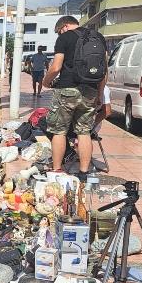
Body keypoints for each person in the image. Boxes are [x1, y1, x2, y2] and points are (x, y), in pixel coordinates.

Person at [43, 16, 107, 181]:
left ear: (64, 26)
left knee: (59, 131)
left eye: (58, 32)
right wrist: (99, 93)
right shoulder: (98, 37)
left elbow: (56, 67)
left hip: (67, 89)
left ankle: (56, 171)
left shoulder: (64, 38)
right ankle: (84, 173)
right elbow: (104, 71)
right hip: (90, 90)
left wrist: (46, 81)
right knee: (84, 131)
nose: (59, 35)